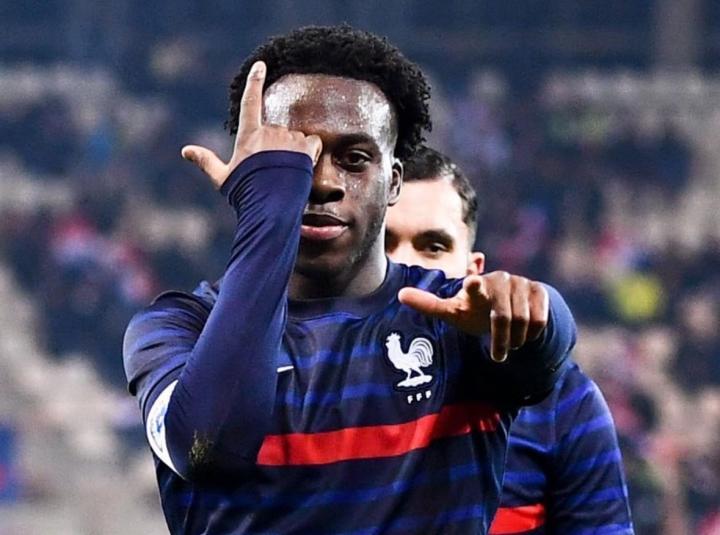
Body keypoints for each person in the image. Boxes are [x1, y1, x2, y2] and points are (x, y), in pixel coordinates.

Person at [124, 26, 576, 534]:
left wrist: (534, 312)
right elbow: (207, 451)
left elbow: (548, 352)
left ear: (394, 183)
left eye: (354, 159)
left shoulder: (450, 317)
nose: (321, 182)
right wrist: (266, 215)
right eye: (298, 158)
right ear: (253, 173)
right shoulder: (175, 329)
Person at [386, 146, 634, 534]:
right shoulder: (304, 384)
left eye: (433, 246)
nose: (406, 263)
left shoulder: (564, 402)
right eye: (382, 243)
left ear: (473, 270)